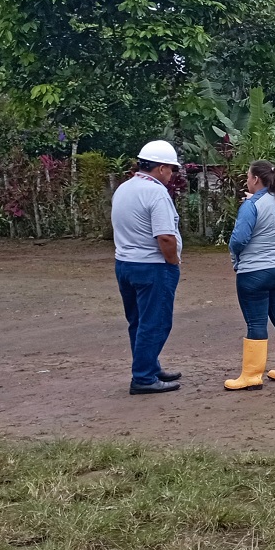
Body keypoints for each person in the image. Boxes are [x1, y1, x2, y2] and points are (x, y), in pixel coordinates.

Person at [224, 160, 275, 390]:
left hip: (256, 271)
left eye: (248, 177)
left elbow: (238, 240)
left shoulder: (251, 206)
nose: (246, 181)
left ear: (256, 179)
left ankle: (251, 376)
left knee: (256, 322)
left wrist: (236, 259)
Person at [112, 140, 184, 395]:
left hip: (125, 263)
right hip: (152, 266)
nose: (172, 174)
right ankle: (143, 376)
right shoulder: (156, 192)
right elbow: (165, 236)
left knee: (138, 321)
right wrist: (173, 261)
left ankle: (149, 366)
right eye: (171, 169)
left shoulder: (124, 188)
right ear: (161, 168)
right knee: (156, 322)